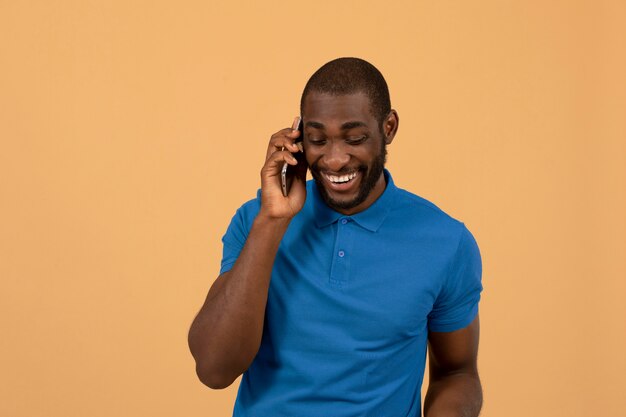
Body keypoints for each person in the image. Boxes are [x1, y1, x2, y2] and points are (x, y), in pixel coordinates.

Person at [188, 57, 483, 417]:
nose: (335, 159)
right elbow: (214, 369)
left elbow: (457, 372)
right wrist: (272, 221)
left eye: (354, 138)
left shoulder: (446, 242)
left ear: (388, 128)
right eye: (317, 140)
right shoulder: (255, 221)